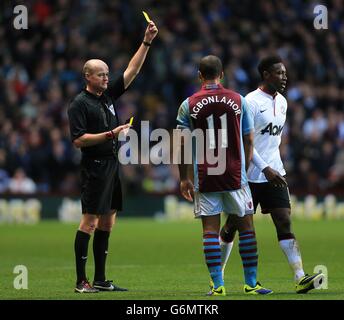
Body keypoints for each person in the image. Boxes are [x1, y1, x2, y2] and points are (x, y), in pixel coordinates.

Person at [219, 55, 324, 293]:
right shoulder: (250, 102)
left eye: (285, 73)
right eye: (279, 73)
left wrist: (273, 165)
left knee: (284, 219)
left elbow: (272, 140)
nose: (285, 77)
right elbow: (244, 141)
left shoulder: (284, 102)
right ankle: (218, 275)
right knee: (232, 226)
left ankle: (300, 277)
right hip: (248, 175)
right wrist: (264, 167)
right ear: (266, 74)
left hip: (274, 172)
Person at [67, 21, 158, 293]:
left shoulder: (106, 96)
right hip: (94, 166)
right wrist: (111, 134)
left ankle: (100, 280)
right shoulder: (79, 104)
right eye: (101, 75)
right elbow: (78, 140)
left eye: (107, 74)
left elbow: (131, 71)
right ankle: (81, 281)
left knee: (108, 221)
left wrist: (147, 41)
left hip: (111, 165)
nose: (107, 78)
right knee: (90, 222)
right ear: (88, 77)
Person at [176, 55, 272, 296]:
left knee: (210, 230)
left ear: (200, 75)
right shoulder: (239, 100)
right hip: (234, 174)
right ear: (222, 74)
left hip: (205, 175)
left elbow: (182, 144)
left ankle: (218, 286)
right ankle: (251, 284)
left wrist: (184, 177)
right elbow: (249, 138)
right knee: (246, 227)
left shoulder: (188, 104)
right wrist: (245, 163)